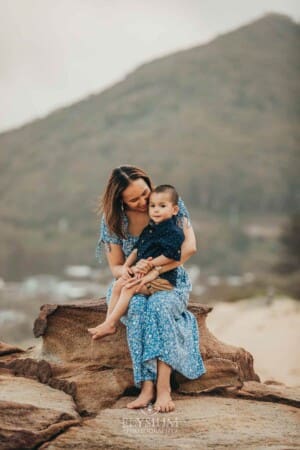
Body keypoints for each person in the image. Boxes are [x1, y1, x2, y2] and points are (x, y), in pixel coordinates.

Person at [90, 165, 206, 413]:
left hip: (169, 279)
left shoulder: (167, 202)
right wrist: (131, 273)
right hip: (133, 281)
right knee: (138, 309)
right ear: (120, 201)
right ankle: (146, 386)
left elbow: (188, 248)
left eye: (145, 193)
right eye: (134, 199)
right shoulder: (112, 220)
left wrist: (152, 269)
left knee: (159, 307)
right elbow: (116, 267)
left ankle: (164, 388)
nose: (145, 202)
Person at [88, 184, 185, 339]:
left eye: (162, 206)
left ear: (174, 210)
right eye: (153, 206)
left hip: (161, 279)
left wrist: (151, 264)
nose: (156, 210)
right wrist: (126, 268)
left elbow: (172, 255)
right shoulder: (150, 229)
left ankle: (111, 324)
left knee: (128, 288)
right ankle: (107, 322)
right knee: (118, 285)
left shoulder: (173, 231)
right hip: (141, 272)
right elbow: (136, 250)